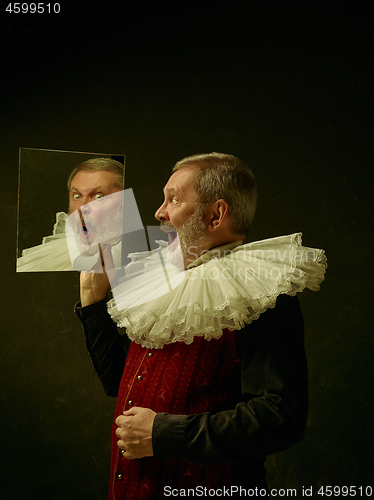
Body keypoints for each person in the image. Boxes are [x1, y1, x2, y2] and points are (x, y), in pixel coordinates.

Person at [74, 153, 327, 499]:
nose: (159, 212)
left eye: (174, 199)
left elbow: (280, 417)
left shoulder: (263, 294)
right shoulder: (162, 280)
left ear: (216, 214)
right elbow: (120, 382)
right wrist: (93, 303)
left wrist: (164, 433)